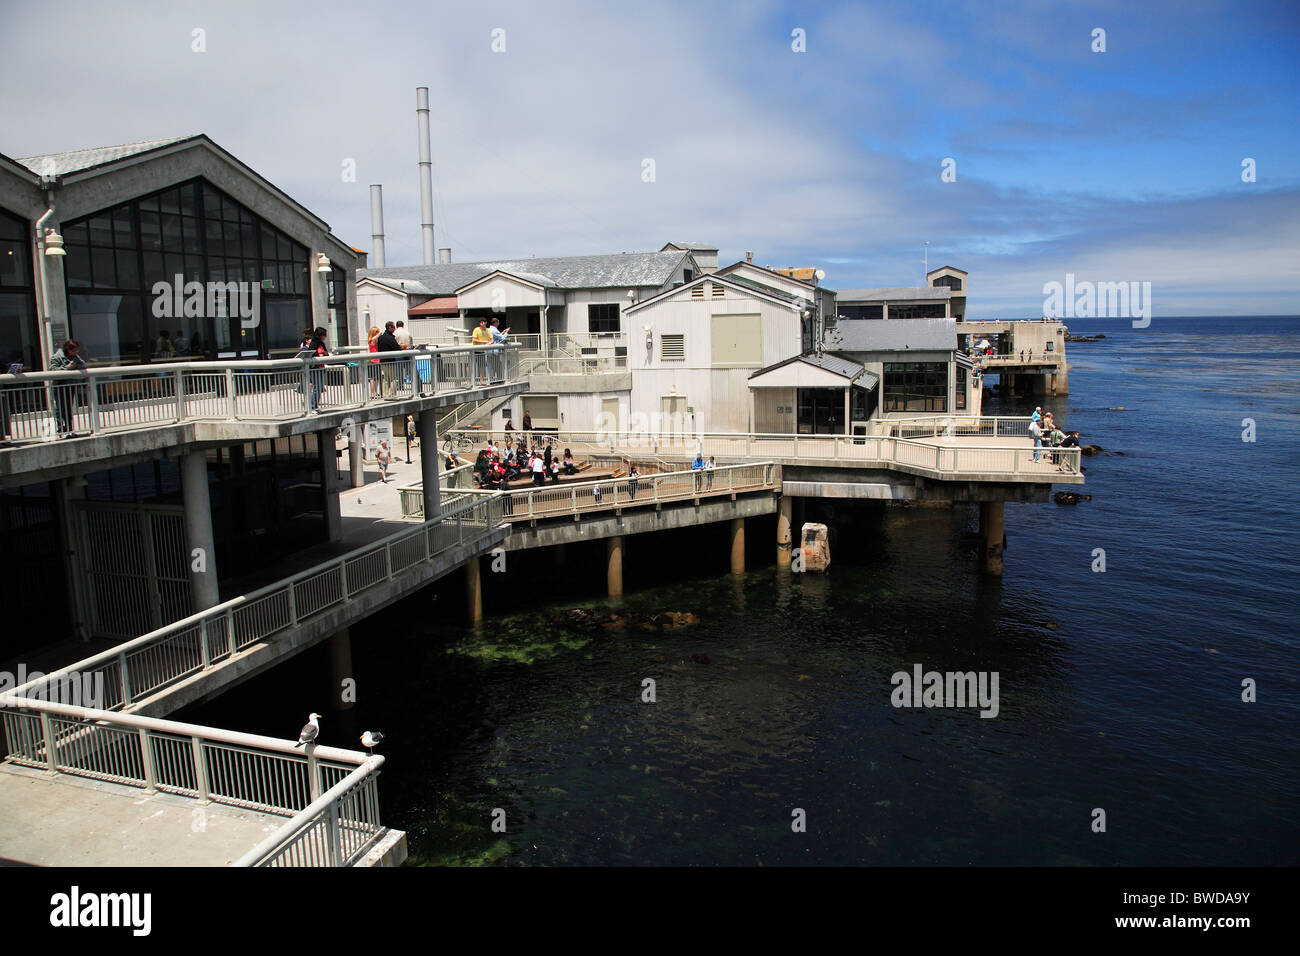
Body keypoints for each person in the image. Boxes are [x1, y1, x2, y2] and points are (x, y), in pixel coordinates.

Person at [50, 339, 88, 437]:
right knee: (60, 408)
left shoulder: (75, 356)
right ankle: (61, 429)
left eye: (76, 351)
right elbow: (53, 370)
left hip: (70, 385)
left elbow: (83, 365)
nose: (75, 353)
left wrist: (76, 366)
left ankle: (69, 429)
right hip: (59, 385)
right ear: (68, 349)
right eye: (74, 350)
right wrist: (67, 368)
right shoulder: (56, 357)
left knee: (68, 408)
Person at [377, 322, 402, 397]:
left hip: (382, 361)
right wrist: (402, 348)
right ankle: (392, 395)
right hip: (390, 361)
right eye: (393, 327)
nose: (394, 329)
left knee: (385, 379)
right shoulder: (390, 338)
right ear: (389, 328)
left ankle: (385, 394)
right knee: (394, 379)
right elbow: (396, 348)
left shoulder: (380, 337)